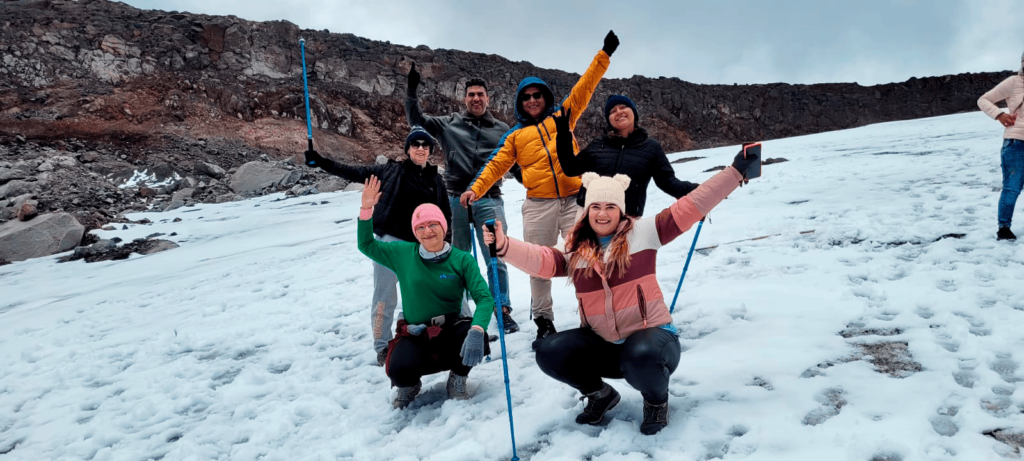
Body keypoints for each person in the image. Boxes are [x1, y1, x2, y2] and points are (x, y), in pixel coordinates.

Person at [482, 148, 761, 435]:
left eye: (610, 207)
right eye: (596, 207)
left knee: (640, 355)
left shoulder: (646, 232)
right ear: (587, 210)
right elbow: (541, 259)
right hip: (604, 346)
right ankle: (601, 395)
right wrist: (504, 245)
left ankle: (656, 401)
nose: (602, 214)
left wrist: (735, 173)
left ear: (621, 210)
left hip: (653, 342)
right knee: (549, 351)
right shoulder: (576, 250)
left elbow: (692, 204)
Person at [461, 30, 620, 349]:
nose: (533, 100)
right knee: (539, 264)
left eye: (537, 95)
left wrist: (604, 54)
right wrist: (475, 190)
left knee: (585, 257)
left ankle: (592, 317)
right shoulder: (514, 137)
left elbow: (584, 87)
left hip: (575, 200)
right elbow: (495, 165)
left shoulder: (563, 116)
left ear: (545, 97)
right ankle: (544, 321)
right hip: (538, 206)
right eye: (527, 97)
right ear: (521, 103)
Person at [304, 126, 453, 366]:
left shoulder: (436, 179)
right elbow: (354, 172)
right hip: (391, 245)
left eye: (426, 145)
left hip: (423, 245)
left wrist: (447, 246)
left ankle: (434, 335)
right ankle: (382, 346)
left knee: (430, 294)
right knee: (385, 296)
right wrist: (321, 161)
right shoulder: (390, 171)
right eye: (416, 144)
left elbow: (445, 214)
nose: (421, 149)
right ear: (407, 149)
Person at [357, 176, 494, 409]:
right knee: (397, 367)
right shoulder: (403, 253)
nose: (427, 231)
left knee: (475, 338)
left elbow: (484, 298)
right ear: (414, 232)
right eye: (420, 227)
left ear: (444, 227)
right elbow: (366, 245)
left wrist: (477, 329)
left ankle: (458, 378)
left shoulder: (462, 259)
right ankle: (409, 384)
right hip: (415, 333)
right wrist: (366, 210)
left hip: (451, 329)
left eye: (433, 225)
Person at [405, 66, 519, 333]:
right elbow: (416, 119)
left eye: (480, 94)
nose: (476, 98)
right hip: (455, 200)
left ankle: (501, 308)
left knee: (495, 255)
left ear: (488, 98)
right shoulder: (449, 122)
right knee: (458, 257)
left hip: (489, 199)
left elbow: (516, 165)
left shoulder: (502, 130)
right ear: (464, 98)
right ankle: (460, 311)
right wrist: (411, 89)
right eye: (471, 94)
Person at [556, 95, 699, 218]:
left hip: (627, 219)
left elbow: (667, 182)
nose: (619, 112)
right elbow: (570, 168)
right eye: (612, 111)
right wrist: (563, 135)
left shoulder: (651, 147)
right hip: (589, 216)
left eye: (623, 107)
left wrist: (699, 191)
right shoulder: (598, 144)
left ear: (633, 113)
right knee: (584, 252)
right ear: (609, 119)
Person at [978, 51, 1024, 241]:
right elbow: (983, 100)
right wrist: (999, 115)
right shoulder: (1014, 82)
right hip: (1016, 143)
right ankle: (1004, 228)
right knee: (1012, 188)